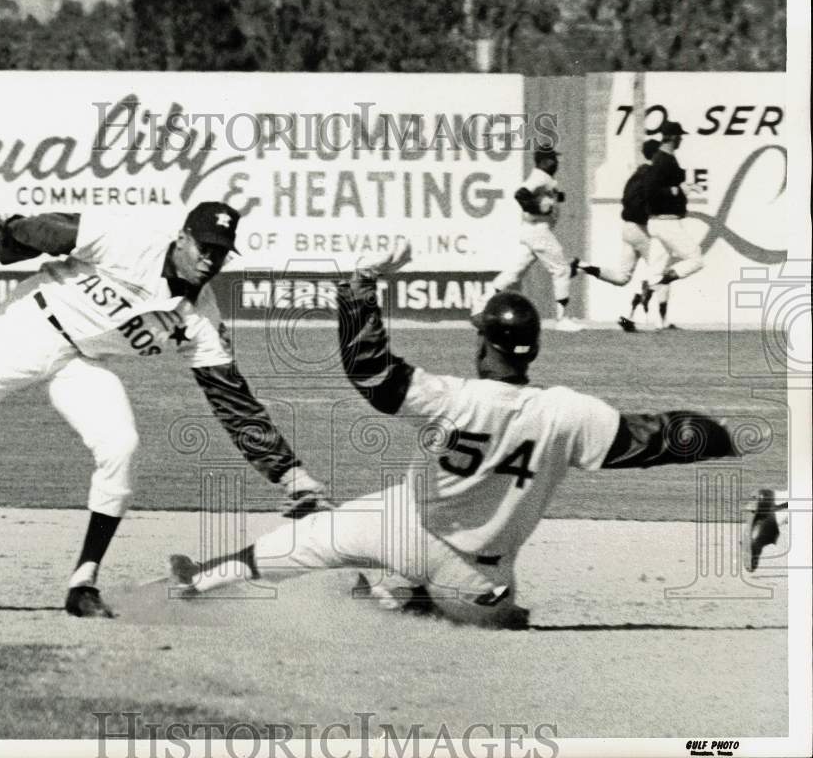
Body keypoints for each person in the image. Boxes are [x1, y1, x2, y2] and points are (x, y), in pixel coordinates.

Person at [168, 245, 775, 626]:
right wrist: (740, 434)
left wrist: (358, 288)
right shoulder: (570, 415)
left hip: (402, 527)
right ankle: (457, 606)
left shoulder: (454, 397)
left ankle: (201, 580)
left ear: (484, 344)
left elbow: (371, 372)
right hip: (483, 574)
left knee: (299, 545)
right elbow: (667, 436)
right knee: (488, 607)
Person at [0, 202, 328, 618]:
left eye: (221, 252)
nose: (210, 258)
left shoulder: (201, 319)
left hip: (82, 361)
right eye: (204, 246)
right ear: (182, 238)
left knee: (121, 445)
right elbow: (36, 231)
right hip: (25, 328)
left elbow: (232, 400)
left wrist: (289, 475)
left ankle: (82, 582)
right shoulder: (130, 241)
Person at [572, 139, 671, 332]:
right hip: (641, 228)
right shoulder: (652, 175)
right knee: (662, 271)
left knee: (622, 277)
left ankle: (584, 266)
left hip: (627, 228)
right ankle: (661, 321)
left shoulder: (636, 174)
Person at [484, 144, 583, 332]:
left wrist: (555, 198)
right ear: (545, 161)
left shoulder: (545, 178)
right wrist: (537, 208)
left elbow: (540, 196)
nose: (556, 162)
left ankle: (483, 301)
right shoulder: (540, 176)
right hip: (538, 230)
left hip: (532, 230)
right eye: (553, 159)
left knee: (515, 272)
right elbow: (520, 194)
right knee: (561, 269)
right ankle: (562, 320)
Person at [641, 120, 705, 327]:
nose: (681, 140)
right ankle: (655, 285)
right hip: (666, 222)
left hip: (658, 223)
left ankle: (643, 318)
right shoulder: (663, 160)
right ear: (673, 137)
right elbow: (650, 191)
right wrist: (678, 190)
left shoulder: (665, 159)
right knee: (695, 259)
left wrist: (681, 187)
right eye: (680, 136)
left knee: (655, 268)